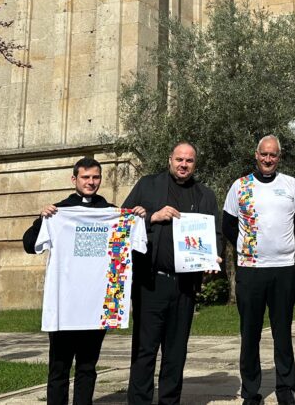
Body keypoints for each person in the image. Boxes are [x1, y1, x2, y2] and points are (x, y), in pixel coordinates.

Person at [22, 157, 144, 405]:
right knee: (59, 366)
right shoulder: (58, 212)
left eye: (96, 177)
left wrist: (137, 217)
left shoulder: (112, 213)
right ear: (74, 179)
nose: (91, 182)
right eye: (86, 177)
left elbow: (137, 245)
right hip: (64, 306)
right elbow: (28, 245)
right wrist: (40, 218)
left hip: (96, 306)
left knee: (88, 366)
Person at [125, 142, 223, 405]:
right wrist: (152, 217)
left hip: (185, 285)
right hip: (151, 282)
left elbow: (215, 235)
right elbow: (123, 223)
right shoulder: (147, 185)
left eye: (189, 161)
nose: (183, 164)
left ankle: (169, 402)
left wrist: (215, 256)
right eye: (179, 159)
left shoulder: (205, 195)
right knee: (145, 350)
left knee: (176, 352)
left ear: (195, 164)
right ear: (170, 160)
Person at [222, 135, 295, 405]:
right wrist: (249, 247)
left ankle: (285, 389)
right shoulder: (240, 186)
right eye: (264, 154)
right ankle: (250, 391)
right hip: (251, 269)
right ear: (256, 155)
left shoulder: (290, 184)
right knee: (250, 333)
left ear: (278, 157)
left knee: (283, 332)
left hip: (282, 269)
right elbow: (227, 225)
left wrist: (285, 250)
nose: (268, 159)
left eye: (273, 155)